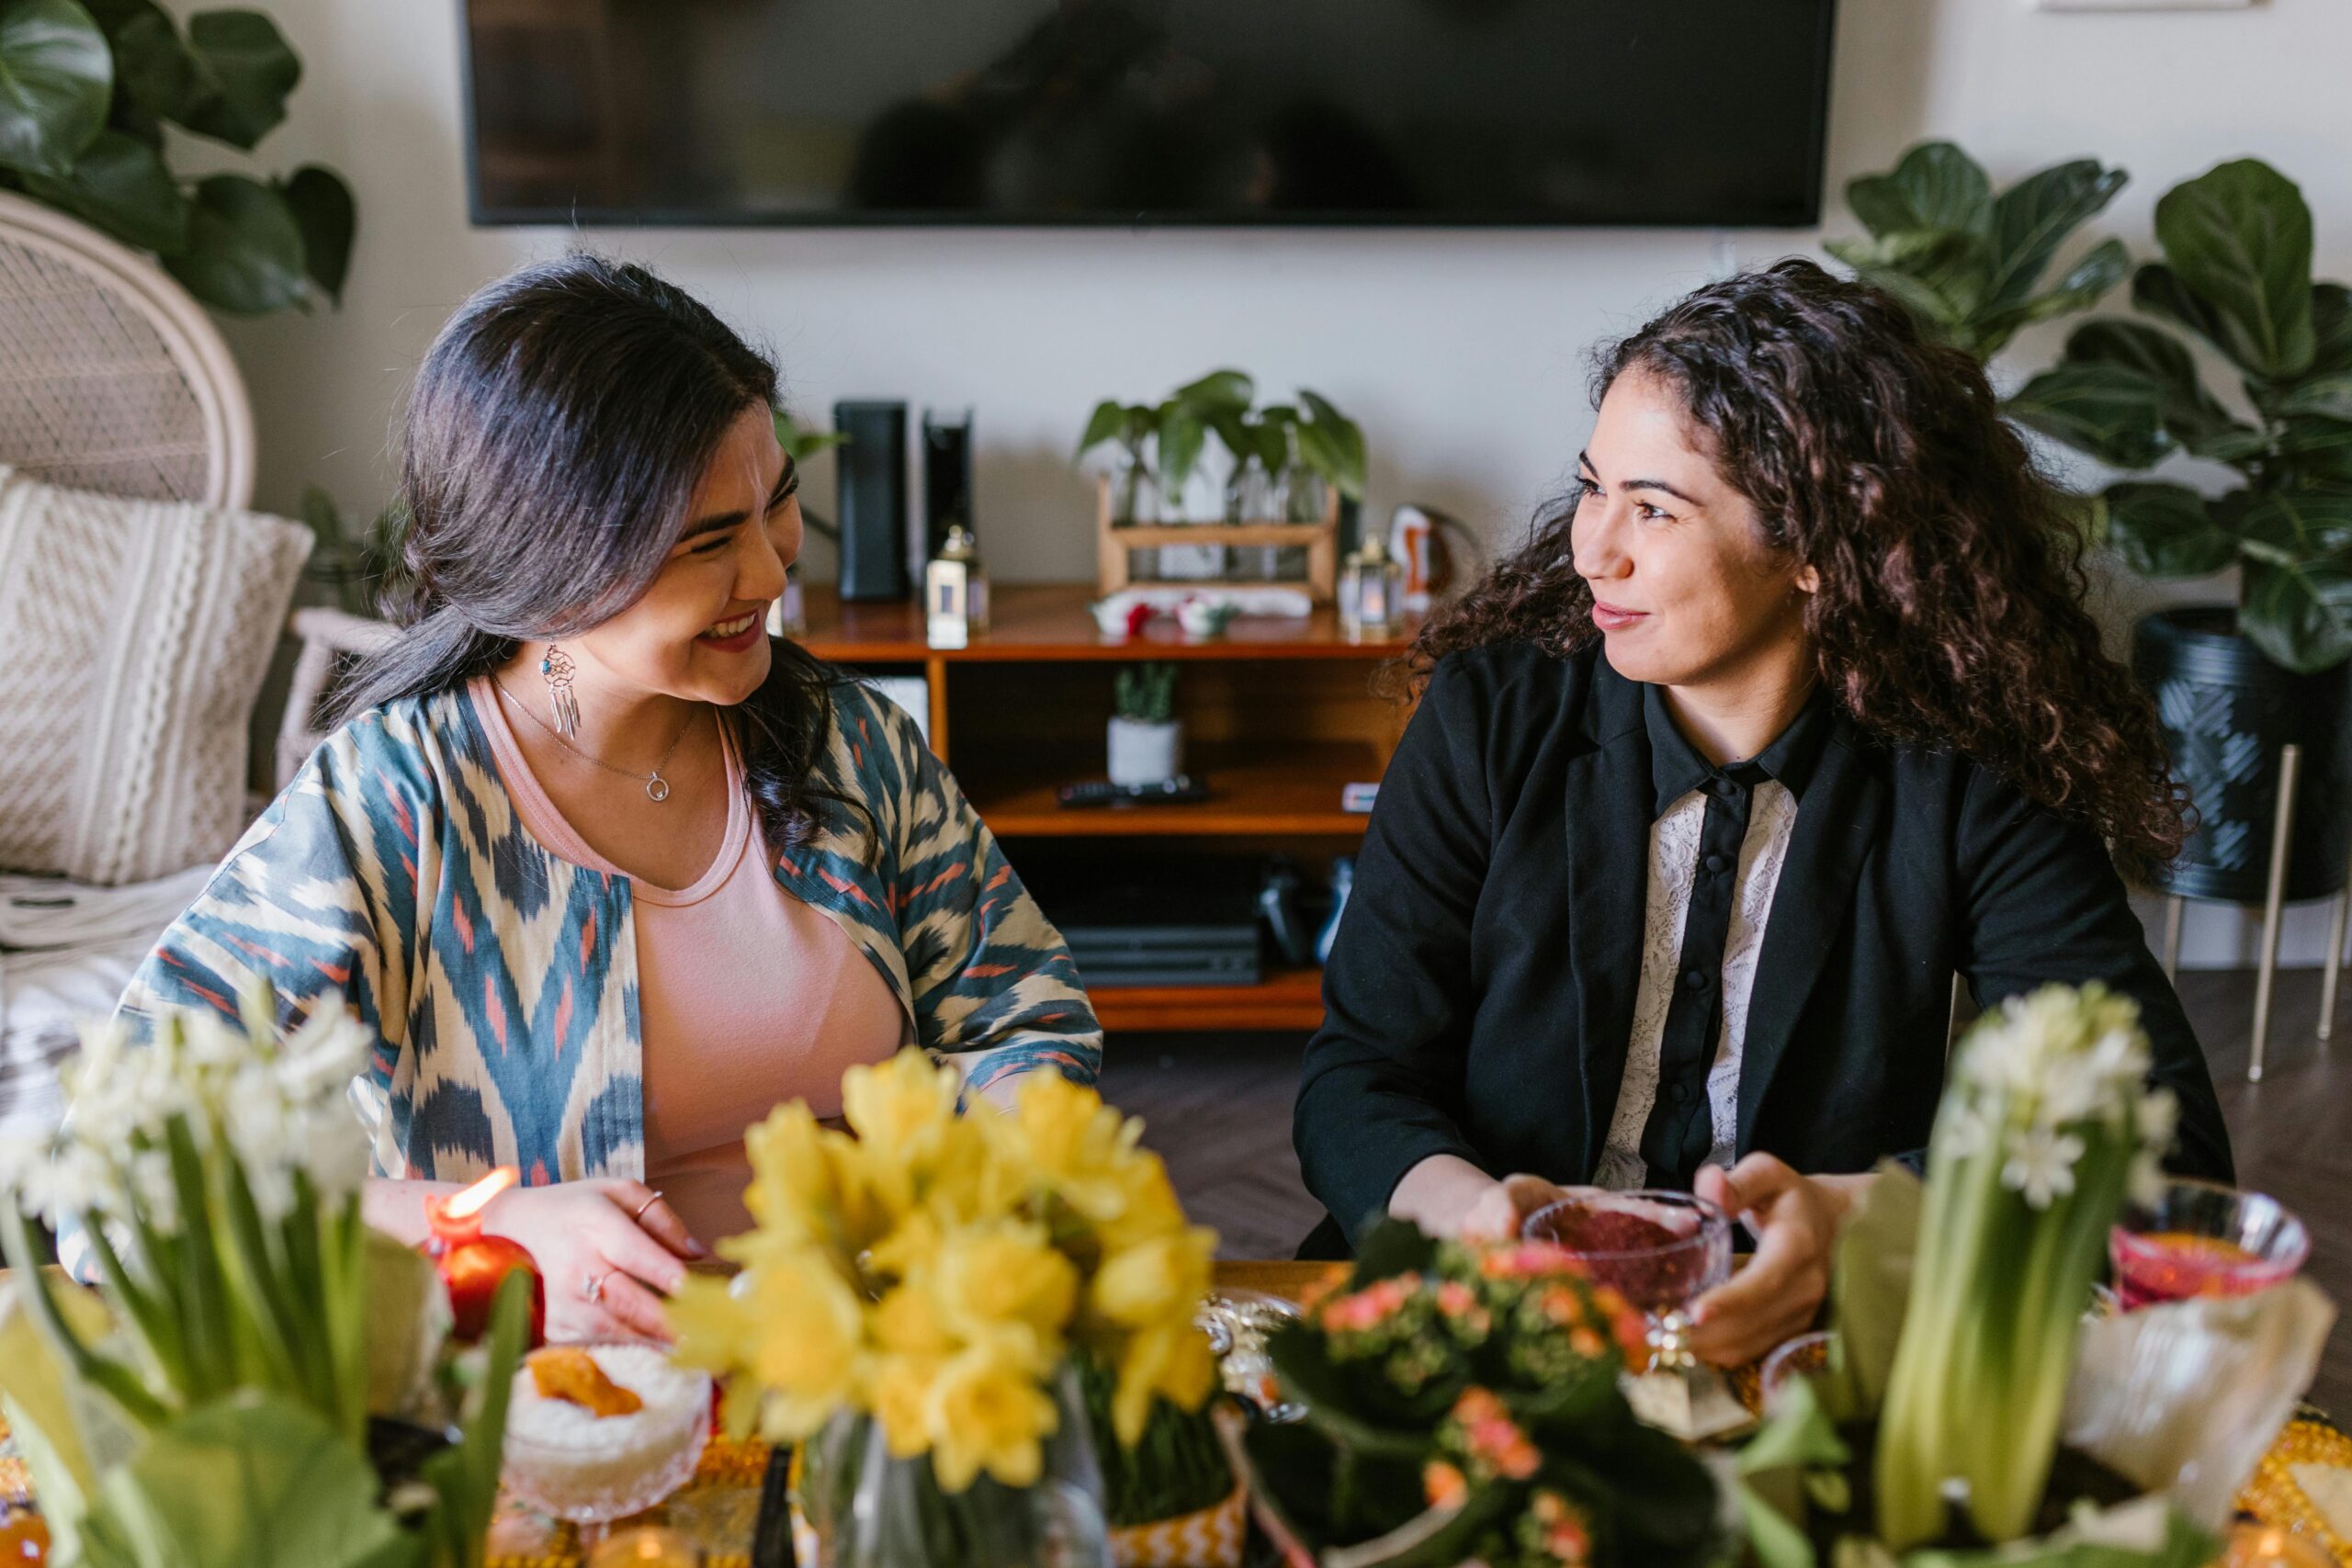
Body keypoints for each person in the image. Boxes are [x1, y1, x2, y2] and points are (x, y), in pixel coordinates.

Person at [87, 254, 1100, 1340]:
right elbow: (115, 1184)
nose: (769, 574)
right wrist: (480, 1232)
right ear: (550, 567)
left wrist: (988, 1174)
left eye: (778, 504)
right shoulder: (393, 801)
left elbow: (1022, 1014)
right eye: (707, 542)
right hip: (549, 1409)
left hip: (880, 1364)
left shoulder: (847, 743)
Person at [1294, 259, 2233, 1368]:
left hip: (1802, 1333)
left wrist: (1852, 1224)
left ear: (1815, 551)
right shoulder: (1488, 713)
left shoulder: (1968, 770)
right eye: (1594, 487)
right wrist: (1471, 1222)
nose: (1593, 547)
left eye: (1653, 508)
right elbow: (1356, 1074)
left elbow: (2155, 1137)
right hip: (1479, 1313)